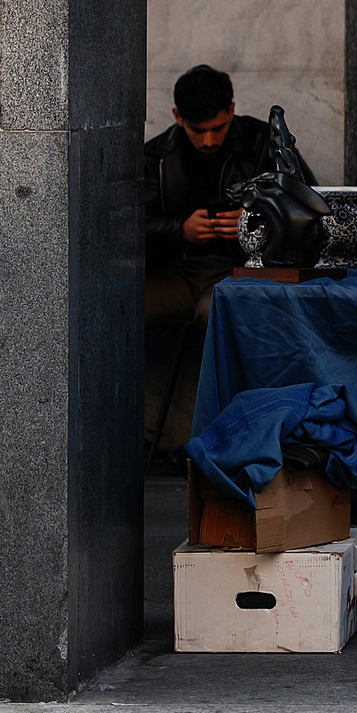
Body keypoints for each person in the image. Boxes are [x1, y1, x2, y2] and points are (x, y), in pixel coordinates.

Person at [142, 66, 315, 452]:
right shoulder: (158, 155)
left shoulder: (262, 143)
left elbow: (309, 206)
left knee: (216, 311)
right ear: (177, 117)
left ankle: (212, 437)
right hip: (176, 271)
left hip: (237, 272)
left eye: (217, 128)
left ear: (232, 111)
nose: (207, 140)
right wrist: (180, 232)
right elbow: (129, 225)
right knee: (120, 308)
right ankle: (140, 433)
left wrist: (254, 219)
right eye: (196, 129)